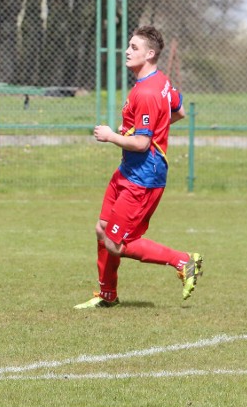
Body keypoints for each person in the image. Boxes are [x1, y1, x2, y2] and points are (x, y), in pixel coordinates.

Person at [74, 25, 203, 309]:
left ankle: (182, 260)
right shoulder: (161, 82)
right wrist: (144, 130)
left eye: (134, 47)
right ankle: (107, 294)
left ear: (150, 53)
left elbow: (143, 145)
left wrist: (111, 136)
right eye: (129, 46)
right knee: (103, 228)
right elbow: (178, 111)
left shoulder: (146, 93)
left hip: (143, 177)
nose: (127, 51)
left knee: (115, 242)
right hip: (128, 171)